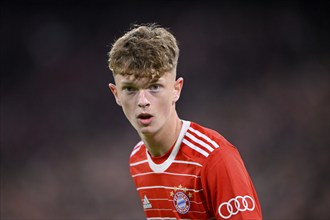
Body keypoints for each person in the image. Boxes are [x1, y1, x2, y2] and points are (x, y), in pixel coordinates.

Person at [107, 23, 262, 219]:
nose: (143, 102)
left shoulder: (214, 158)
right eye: (130, 89)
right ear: (116, 94)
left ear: (176, 89)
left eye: (154, 87)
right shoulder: (137, 159)